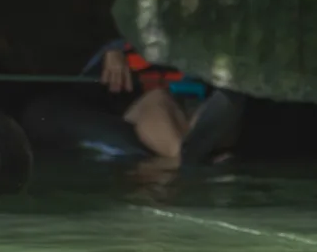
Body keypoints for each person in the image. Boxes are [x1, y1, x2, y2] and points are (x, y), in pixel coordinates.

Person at [89, 40, 244, 166]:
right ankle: (183, 158)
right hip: (144, 105)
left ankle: (193, 155)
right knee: (158, 99)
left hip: (194, 106)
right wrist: (112, 51)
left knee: (221, 104)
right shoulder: (119, 48)